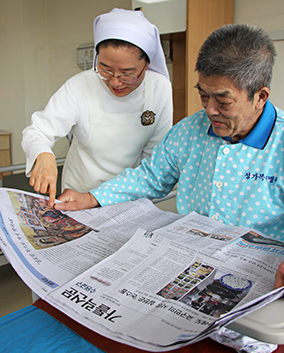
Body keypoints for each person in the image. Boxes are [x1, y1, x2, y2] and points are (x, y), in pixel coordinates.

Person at [55, 23, 284, 352]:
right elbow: (151, 176)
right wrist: (92, 197)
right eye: (203, 95)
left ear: (260, 96)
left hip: (255, 286)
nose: (209, 110)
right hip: (186, 274)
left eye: (223, 100)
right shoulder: (190, 131)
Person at [22, 8, 173, 207]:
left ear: (147, 64)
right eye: (105, 70)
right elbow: (37, 131)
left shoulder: (159, 89)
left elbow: (153, 161)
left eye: (127, 73)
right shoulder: (79, 86)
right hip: (77, 197)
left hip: (130, 199)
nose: (116, 82)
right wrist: (42, 153)